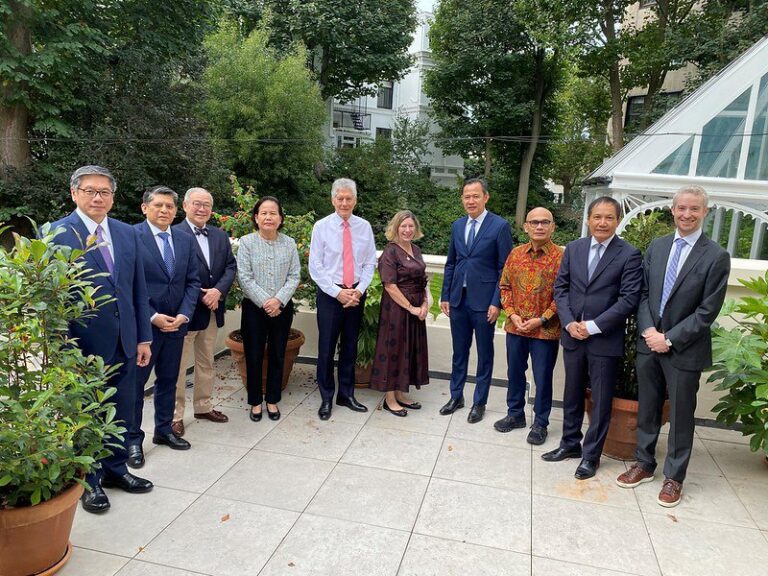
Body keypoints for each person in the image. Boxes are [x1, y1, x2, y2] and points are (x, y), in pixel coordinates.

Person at [616, 186, 730, 507]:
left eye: (694, 209)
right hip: (649, 343)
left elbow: (707, 311)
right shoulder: (657, 246)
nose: (687, 214)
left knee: (681, 415)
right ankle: (644, 463)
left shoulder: (716, 256)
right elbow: (641, 293)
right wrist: (650, 330)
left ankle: (674, 477)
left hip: (684, 348)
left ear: (705, 212)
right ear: (673, 210)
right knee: (648, 407)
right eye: (681, 208)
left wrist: (669, 338)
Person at [49, 165, 154, 513]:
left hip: (126, 341)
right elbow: (52, 299)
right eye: (90, 191)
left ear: (112, 196)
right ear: (75, 193)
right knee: (85, 413)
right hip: (82, 345)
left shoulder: (126, 233)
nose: (98, 197)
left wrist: (143, 338)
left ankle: (115, 469)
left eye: (104, 191)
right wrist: (60, 347)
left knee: (121, 409)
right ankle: (89, 481)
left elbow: (138, 289)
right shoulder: (56, 234)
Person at [542, 196, 642, 480]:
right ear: (588, 219)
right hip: (573, 335)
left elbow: (628, 299)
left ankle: (590, 456)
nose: (602, 222)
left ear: (617, 220)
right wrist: (570, 322)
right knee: (571, 393)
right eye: (597, 216)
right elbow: (560, 288)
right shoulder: (574, 248)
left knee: (600, 400)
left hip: (604, 339)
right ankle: (569, 444)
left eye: (609, 217)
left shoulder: (628, 254)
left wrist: (594, 326)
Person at [127, 186, 200, 466]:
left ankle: (164, 430)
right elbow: (128, 284)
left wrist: (184, 314)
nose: (164, 211)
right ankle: (133, 440)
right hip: (145, 328)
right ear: (145, 207)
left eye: (169, 206)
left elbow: (192, 281)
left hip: (177, 325)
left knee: (169, 380)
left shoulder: (184, 239)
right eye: (158, 205)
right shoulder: (132, 237)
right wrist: (152, 316)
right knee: (136, 386)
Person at [439, 178, 513, 423]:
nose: (470, 201)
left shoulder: (499, 226)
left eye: (475, 196)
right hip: (458, 301)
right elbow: (451, 262)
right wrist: (445, 295)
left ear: (485, 197)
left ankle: (479, 402)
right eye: (466, 196)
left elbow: (504, 268)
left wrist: (497, 302)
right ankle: (456, 396)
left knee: (484, 353)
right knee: (459, 352)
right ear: (462, 199)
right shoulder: (457, 226)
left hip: (484, 303)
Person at [309, 178, 377, 420]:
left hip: (356, 294)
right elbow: (315, 265)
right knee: (326, 348)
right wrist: (337, 292)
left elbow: (370, 262)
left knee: (350, 347)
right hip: (331, 294)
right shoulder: (321, 227)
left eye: (349, 198)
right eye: (340, 198)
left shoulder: (364, 227)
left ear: (355, 201)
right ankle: (327, 396)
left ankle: (346, 394)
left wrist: (359, 290)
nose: (345, 203)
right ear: (333, 200)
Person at [171, 187, 237, 436]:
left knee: (206, 362)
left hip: (211, 311)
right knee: (177, 367)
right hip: (185, 312)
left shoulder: (220, 236)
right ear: (185, 206)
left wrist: (218, 292)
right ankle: (175, 415)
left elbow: (230, 267)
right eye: (197, 204)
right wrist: (203, 294)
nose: (202, 209)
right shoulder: (174, 233)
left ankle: (203, 406)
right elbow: (175, 275)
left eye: (206, 205)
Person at [496, 207, 563, 444]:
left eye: (545, 222)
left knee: (542, 377)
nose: (539, 226)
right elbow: (504, 287)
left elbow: (564, 294)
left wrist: (542, 318)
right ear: (526, 226)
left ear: (553, 227)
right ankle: (515, 415)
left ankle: (540, 423)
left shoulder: (561, 257)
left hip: (545, 330)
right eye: (534, 222)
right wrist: (512, 315)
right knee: (515, 372)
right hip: (516, 327)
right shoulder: (515, 254)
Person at [237, 196, 300, 422]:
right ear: (256, 217)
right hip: (254, 308)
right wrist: (266, 301)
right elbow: (244, 277)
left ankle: (272, 399)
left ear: (280, 218)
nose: (268, 217)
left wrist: (279, 300)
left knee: (278, 353)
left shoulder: (289, 243)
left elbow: (294, 276)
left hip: (282, 308)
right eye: (263, 213)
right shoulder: (246, 243)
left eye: (273, 213)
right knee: (253, 355)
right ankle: (255, 401)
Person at [370, 210, 430, 416]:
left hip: (415, 307)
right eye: (403, 226)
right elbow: (390, 286)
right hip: (397, 309)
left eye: (410, 226)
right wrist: (411, 308)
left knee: (409, 349)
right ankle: (389, 399)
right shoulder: (390, 251)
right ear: (396, 228)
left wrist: (424, 304)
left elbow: (422, 280)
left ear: (416, 228)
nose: (407, 230)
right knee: (393, 351)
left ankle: (401, 394)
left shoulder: (416, 249)